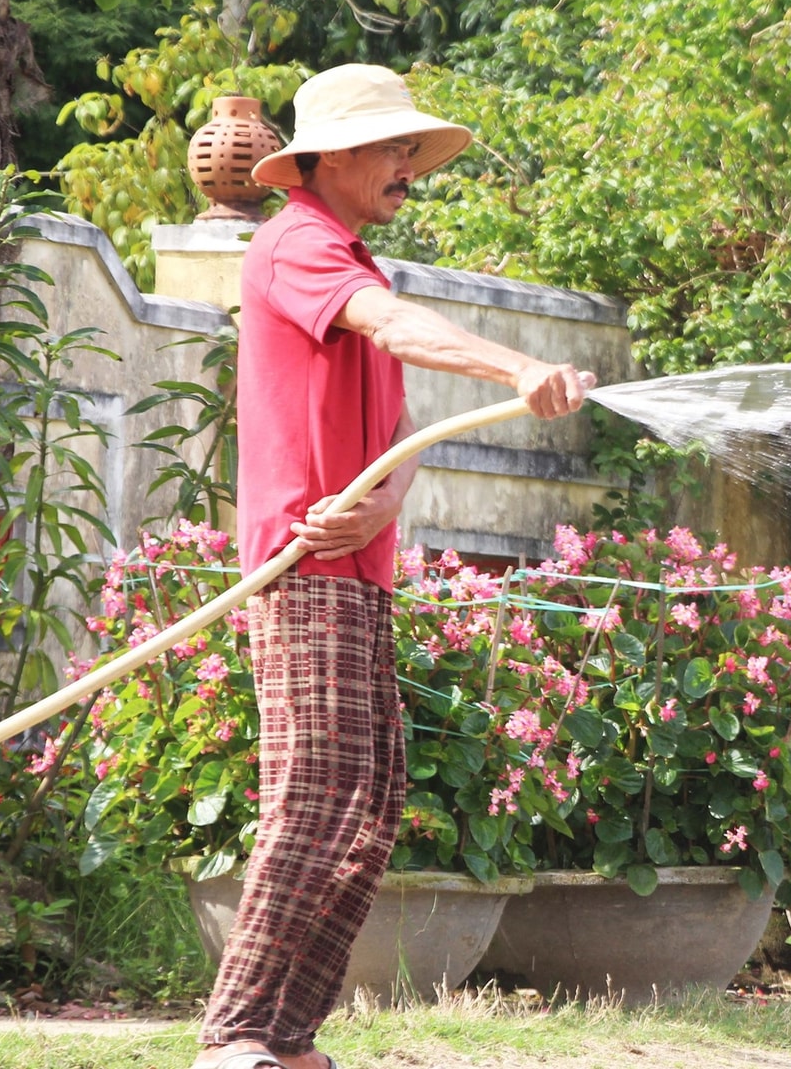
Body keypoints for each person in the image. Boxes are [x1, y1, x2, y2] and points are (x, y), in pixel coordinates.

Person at [192, 64, 593, 1069]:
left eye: (411, 149)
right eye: (390, 149)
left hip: (359, 562)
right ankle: (234, 1034)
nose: (407, 166)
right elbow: (395, 327)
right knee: (319, 788)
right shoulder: (297, 245)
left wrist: (386, 496)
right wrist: (515, 369)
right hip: (302, 561)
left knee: (369, 801)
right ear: (326, 160)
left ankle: (285, 1037)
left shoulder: (357, 260)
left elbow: (399, 421)